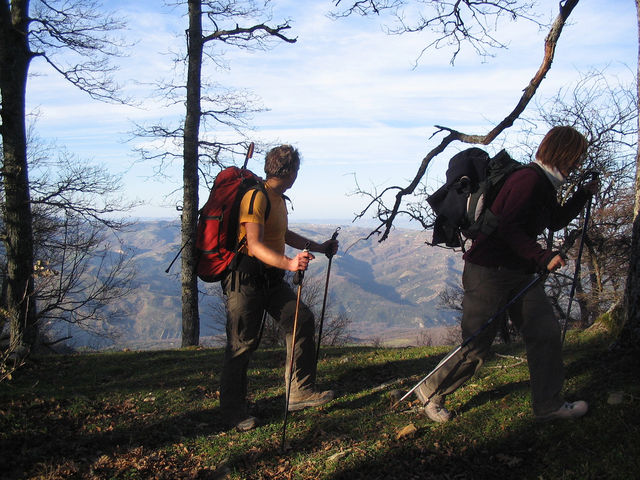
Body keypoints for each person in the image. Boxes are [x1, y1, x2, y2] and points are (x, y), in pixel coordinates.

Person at [415, 126, 598, 422]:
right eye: (576, 157)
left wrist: (581, 196)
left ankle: (549, 405)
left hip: (518, 271)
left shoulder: (543, 183)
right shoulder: (528, 180)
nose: (577, 164)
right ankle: (430, 392)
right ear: (563, 153)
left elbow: (554, 220)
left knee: (545, 333)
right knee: (475, 347)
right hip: (488, 273)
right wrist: (543, 256)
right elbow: (506, 228)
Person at [219, 144, 339, 432]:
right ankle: (233, 411)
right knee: (242, 344)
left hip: (271, 279)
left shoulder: (277, 199)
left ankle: (299, 391)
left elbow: (282, 234)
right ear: (290, 172)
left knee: (301, 320)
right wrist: (289, 264)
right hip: (245, 281)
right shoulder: (255, 197)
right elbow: (254, 244)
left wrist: (319, 247)